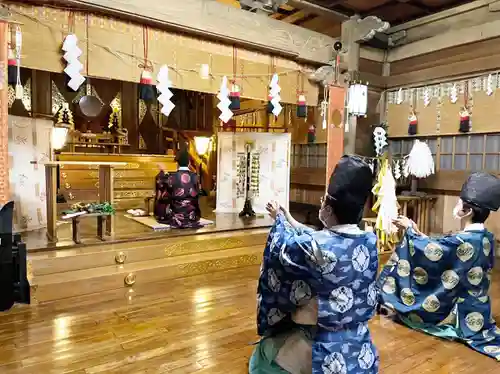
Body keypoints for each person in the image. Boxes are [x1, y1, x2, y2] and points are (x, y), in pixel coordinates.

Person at [249, 155, 379, 374]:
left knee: (262, 357)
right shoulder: (369, 241)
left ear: (328, 209)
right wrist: (287, 216)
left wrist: (279, 222)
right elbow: (323, 239)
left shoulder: (313, 247)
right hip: (359, 347)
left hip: (321, 348)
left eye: (323, 201)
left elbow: (287, 248)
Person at [378, 172, 500, 361]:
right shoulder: (486, 238)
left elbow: (433, 250)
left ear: (467, 211)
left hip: (457, 309)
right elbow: (439, 248)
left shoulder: (460, 241)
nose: (456, 205)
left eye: (459, 202)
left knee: (406, 280)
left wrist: (410, 232)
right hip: (478, 308)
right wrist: (414, 229)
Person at [154, 148, 201, 229]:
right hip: (192, 214)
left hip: (176, 214)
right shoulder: (195, 177)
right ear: (189, 163)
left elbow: (161, 185)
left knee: (164, 198)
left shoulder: (171, 177)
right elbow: (197, 193)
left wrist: (162, 172)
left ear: (177, 163)